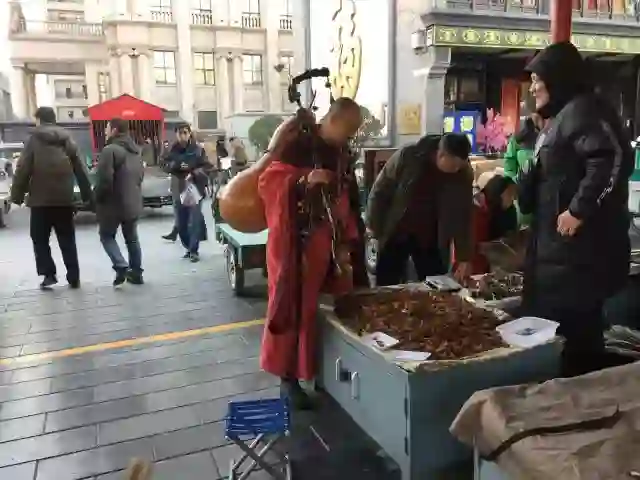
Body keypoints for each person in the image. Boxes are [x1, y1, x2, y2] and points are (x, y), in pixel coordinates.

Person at [519, 41, 633, 377]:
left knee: (578, 340)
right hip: (556, 256)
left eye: (538, 79)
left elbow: (612, 159)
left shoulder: (584, 110)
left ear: (558, 77)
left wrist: (578, 211)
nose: (533, 88)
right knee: (560, 336)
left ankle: (580, 394)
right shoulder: (559, 118)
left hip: (578, 258)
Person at [259, 98, 367, 409]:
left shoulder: (341, 152)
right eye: (347, 131)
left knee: (332, 308)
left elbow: (346, 195)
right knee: (292, 309)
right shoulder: (297, 144)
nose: (348, 138)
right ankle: (288, 379)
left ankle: (321, 370)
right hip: (296, 244)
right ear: (332, 120)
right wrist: (302, 181)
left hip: (330, 241)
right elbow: (268, 183)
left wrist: (350, 236)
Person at [366, 133, 474, 286]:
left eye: (460, 166)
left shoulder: (463, 175)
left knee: (438, 283)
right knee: (387, 281)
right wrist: (374, 226)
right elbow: (381, 190)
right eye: (453, 165)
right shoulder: (409, 156)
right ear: (441, 155)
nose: (457, 169)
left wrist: (464, 257)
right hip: (398, 227)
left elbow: (463, 215)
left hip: (432, 235)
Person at [10, 107, 92, 290]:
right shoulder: (67, 139)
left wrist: (17, 196)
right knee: (67, 238)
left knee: (39, 238)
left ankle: (49, 274)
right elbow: (80, 168)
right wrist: (87, 195)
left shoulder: (34, 140)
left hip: (41, 201)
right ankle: (74, 276)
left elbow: (23, 169)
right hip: (64, 199)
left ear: (39, 120)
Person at [94, 118, 145, 287]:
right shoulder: (136, 151)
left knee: (106, 236)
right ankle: (136, 273)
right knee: (132, 238)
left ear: (114, 130)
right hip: (132, 201)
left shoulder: (110, 150)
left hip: (113, 203)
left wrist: (97, 198)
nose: (105, 131)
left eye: (107, 128)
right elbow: (140, 177)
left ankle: (120, 264)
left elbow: (105, 180)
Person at [453, 174, 518, 275]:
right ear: (497, 192)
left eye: (514, 195)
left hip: (485, 267)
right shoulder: (477, 210)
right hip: (469, 266)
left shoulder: (506, 212)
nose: (512, 199)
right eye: (509, 194)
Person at [163, 123, 210, 262]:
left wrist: (193, 172)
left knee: (194, 221)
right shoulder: (171, 150)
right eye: (180, 133)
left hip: (194, 188)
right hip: (178, 188)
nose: (182, 135)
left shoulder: (198, 150)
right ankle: (188, 247)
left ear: (189, 134)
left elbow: (207, 167)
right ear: (176, 135)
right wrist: (176, 165)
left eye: (185, 132)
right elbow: (163, 164)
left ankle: (194, 250)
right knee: (181, 222)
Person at [503, 113, 542, 227]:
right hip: (522, 189)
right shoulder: (517, 140)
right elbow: (509, 165)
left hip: (543, 191)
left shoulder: (548, 138)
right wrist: (514, 182)